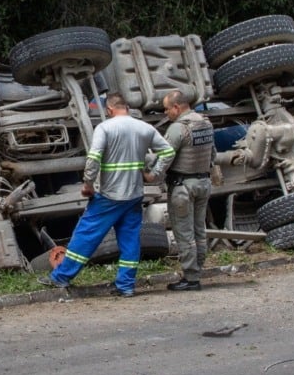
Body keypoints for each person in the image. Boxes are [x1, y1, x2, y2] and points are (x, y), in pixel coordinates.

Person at [38, 93, 175, 297]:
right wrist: (154, 175)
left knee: (85, 236)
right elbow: (168, 152)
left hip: (109, 196)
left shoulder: (105, 128)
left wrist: (88, 184)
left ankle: (61, 277)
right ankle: (126, 286)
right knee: (130, 241)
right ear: (126, 107)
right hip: (134, 195)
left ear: (109, 110)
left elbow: (93, 158)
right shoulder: (145, 128)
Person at [159, 90, 216, 292]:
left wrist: (151, 170)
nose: (166, 114)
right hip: (203, 183)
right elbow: (213, 153)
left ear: (177, 107)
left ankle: (191, 278)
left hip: (183, 187)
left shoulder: (178, 128)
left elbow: (164, 158)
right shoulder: (205, 122)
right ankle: (198, 269)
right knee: (199, 230)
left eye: (167, 109)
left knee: (184, 233)